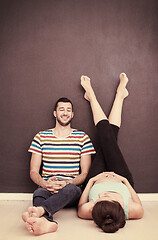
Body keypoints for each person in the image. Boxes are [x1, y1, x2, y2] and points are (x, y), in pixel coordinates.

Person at [78, 74, 144, 233]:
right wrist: (123, 180)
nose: (104, 194)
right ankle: (110, 96)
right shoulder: (133, 211)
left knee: (108, 138)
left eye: (100, 198)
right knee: (109, 138)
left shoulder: (90, 212)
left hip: (97, 176)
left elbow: (80, 206)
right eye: (110, 197)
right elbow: (140, 205)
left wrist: (93, 180)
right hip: (121, 177)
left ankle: (101, 96)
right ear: (120, 206)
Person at [22, 97, 96, 235]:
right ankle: (46, 222)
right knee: (38, 193)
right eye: (61, 109)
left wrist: (67, 182)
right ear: (55, 113)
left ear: (72, 114)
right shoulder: (41, 137)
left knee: (72, 190)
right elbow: (33, 171)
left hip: (71, 189)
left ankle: (39, 212)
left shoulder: (82, 137)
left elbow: (85, 173)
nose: (65, 113)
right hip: (47, 187)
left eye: (69, 110)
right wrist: (45, 184)